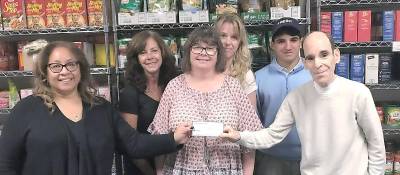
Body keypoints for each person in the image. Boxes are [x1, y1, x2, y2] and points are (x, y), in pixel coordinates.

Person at [0, 41, 192, 175]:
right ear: (44, 72)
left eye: (71, 64)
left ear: (81, 69)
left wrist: (173, 138)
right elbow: (5, 164)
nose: (65, 71)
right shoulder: (26, 110)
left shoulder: (101, 109)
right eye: (56, 66)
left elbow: (134, 144)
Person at [220, 31, 386, 175]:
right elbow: (272, 135)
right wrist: (239, 136)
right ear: (305, 63)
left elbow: (376, 145)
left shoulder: (358, 93)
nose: (318, 64)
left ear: (336, 55)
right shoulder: (296, 98)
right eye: (310, 58)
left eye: (324, 54)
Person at [148, 26, 263, 175]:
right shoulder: (174, 86)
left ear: (218, 53)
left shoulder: (233, 85)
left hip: (227, 170)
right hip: (181, 169)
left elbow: (250, 138)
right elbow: (159, 138)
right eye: (197, 47)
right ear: (188, 51)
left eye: (210, 48)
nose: (203, 53)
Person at [253, 17, 311, 175]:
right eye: (281, 41)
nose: (288, 46)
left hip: (310, 158)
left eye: (293, 40)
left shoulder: (314, 74)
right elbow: (255, 122)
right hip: (270, 159)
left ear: (301, 42)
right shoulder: (258, 78)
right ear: (272, 45)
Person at [119, 30, 179, 175]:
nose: (150, 57)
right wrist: (151, 172)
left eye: (154, 51)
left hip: (173, 165)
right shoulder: (130, 93)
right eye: (143, 52)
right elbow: (129, 143)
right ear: (136, 59)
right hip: (142, 168)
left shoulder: (174, 85)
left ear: (162, 53)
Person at [215, 13, 257, 107]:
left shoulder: (246, 76)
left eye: (234, 37)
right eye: (223, 36)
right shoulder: (203, 70)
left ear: (240, 43)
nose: (228, 42)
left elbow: (250, 118)